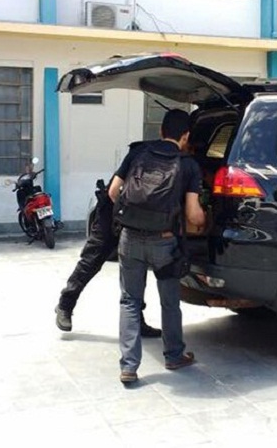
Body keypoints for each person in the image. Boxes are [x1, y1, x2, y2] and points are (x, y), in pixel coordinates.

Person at [110, 109, 205, 385]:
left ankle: (129, 367)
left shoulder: (138, 152)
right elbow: (193, 215)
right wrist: (205, 219)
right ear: (185, 136)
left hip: (129, 238)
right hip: (164, 242)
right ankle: (174, 355)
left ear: (161, 131)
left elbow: (113, 192)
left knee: (130, 301)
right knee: (169, 301)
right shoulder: (188, 165)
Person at [54, 167, 162, 338]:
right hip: (111, 214)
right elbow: (114, 191)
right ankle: (65, 305)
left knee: (136, 270)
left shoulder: (171, 162)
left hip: (137, 219)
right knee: (91, 261)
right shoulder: (137, 155)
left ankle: (136, 321)